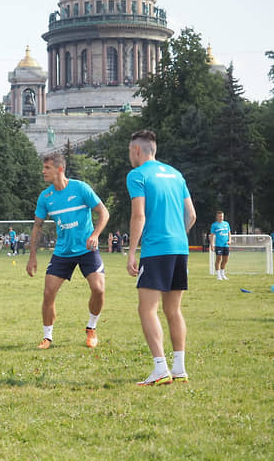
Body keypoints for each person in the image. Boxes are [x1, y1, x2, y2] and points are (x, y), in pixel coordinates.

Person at [126, 130, 196, 386]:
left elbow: (139, 216)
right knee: (173, 310)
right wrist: (177, 234)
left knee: (147, 309)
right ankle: (179, 369)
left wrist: (132, 251)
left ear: (137, 150)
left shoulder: (137, 175)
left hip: (156, 249)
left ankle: (160, 368)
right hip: (180, 247)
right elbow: (192, 215)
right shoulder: (176, 174)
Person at [26, 153, 109, 350]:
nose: (43, 171)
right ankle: (47, 337)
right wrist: (32, 257)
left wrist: (95, 235)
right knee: (48, 293)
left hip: (87, 249)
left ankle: (91, 328)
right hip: (63, 252)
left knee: (98, 289)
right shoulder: (45, 197)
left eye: (47, 168)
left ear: (60, 169)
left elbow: (104, 213)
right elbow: (37, 227)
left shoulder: (80, 189)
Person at [209, 211, 231, 280]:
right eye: (220, 216)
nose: (221, 218)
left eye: (222, 216)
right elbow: (212, 236)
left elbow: (229, 233)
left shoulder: (226, 224)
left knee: (226, 259)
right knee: (219, 259)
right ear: (217, 217)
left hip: (226, 245)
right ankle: (218, 275)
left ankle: (222, 273)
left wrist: (230, 240)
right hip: (218, 245)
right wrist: (212, 245)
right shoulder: (214, 225)